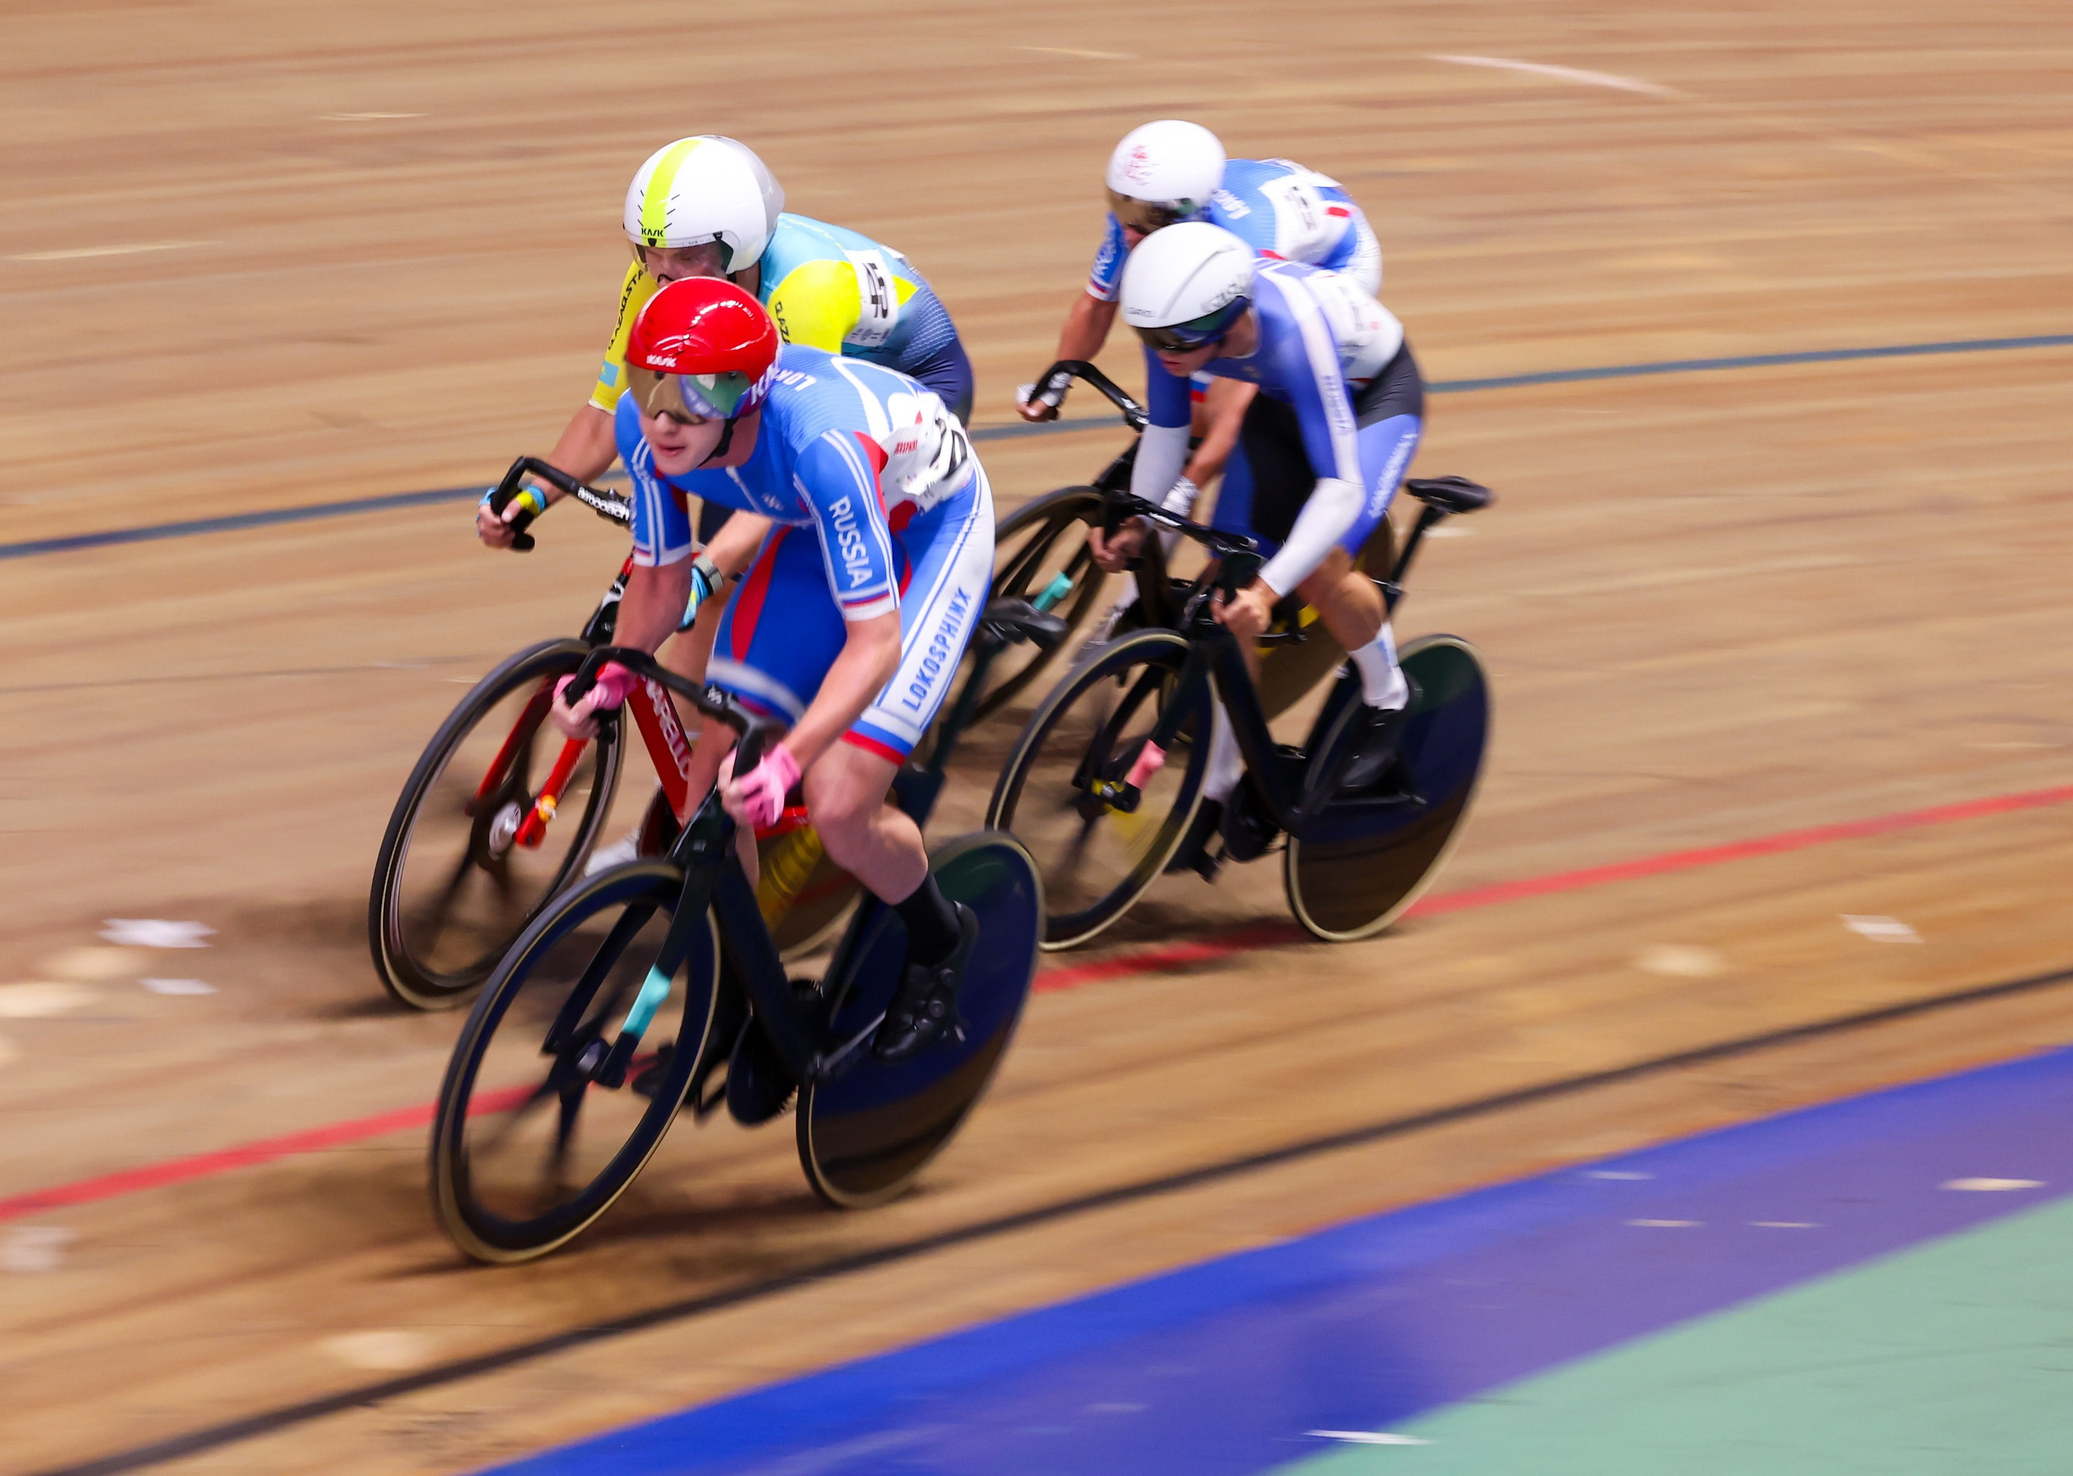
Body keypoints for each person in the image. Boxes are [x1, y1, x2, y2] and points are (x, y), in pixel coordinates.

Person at [547, 275, 994, 1065]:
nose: (666, 419)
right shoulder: (644, 428)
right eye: (653, 385)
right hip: (815, 522)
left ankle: (941, 941)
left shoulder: (822, 446)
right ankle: (736, 982)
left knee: (837, 800)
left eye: (696, 398)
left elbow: (876, 643)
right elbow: (657, 579)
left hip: (929, 529)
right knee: (714, 769)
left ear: (748, 397)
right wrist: (613, 673)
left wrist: (792, 760)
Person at [479, 137, 976, 640]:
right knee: (709, 564)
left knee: (761, 575)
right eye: (650, 253)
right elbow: (606, 414)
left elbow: (802, 454)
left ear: (739, 252)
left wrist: (707, 570)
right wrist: (533, 497)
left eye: (689, 256)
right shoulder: (654, 279)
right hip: (790, 388)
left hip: (911, 385)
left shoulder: (803, 292)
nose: (665, 278)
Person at [1090, 221, 1423, 831]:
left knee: (1320, 570)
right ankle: (1218, 783)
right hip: (1282, 399)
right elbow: (1166, 437)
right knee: (1228, 586)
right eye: (1148, 337)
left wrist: (1272, 593)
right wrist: (1142, 525)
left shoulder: (1293, 335)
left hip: (1376, 400)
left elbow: (1341, 487)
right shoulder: (1177, 322)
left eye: (1175, 341)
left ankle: (1389, 695)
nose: (1163, 354)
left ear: (1229, 318)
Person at [1015, 119, 1380, 424]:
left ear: (1190, 211)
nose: (1128, 231)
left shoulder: (1243, 247)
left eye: (1144, 219)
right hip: (1280, 193)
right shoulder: (1137, 217)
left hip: (1335, 260)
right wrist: (1056, 380)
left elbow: (1249, 357)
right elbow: (1097, 306)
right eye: (1122, 206)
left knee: (1237, 396)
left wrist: (1190, 479)